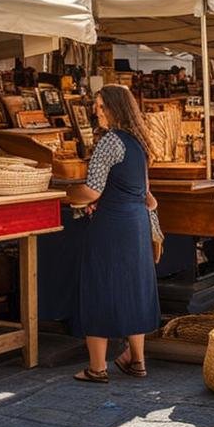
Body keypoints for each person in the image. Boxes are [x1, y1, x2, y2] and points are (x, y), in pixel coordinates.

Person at [67, 85, 161, 384]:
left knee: (99, 287)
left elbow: (91, 190)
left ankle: (97, 368)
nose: (96, 109)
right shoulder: (139, 143)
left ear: (113, 108)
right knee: (134, 288)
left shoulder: (110, 142)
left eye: (100, 104)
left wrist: (61, 195)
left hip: (112, 225)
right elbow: (147, 196)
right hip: (135, 224)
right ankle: (136, 361)